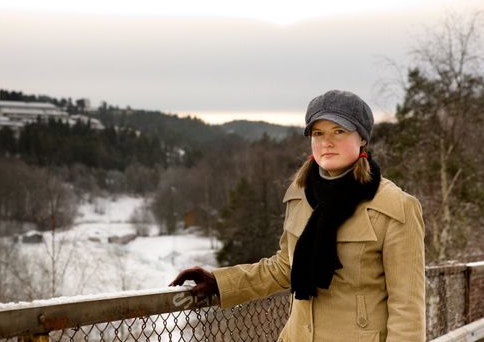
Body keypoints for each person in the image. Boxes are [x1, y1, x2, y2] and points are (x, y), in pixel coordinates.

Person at [170, 89, 426, 342]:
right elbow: (284, 267)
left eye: (339, 131)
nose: (327, 142)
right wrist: (220, 282)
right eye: (318, 133)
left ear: (362, 138)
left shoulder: (395, 207)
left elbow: (408, 309)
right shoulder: (301, 195)